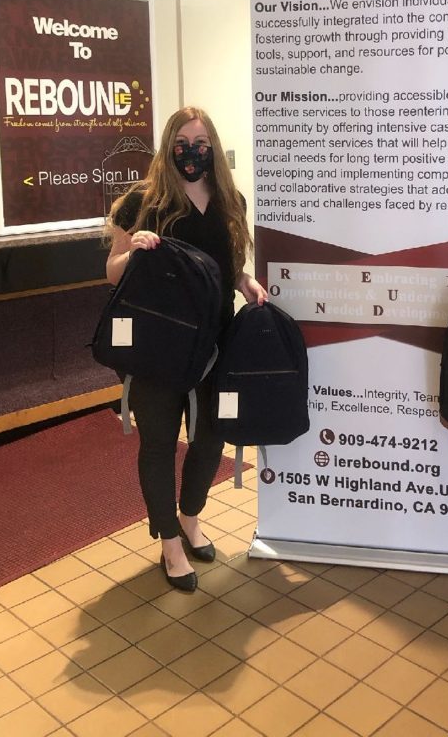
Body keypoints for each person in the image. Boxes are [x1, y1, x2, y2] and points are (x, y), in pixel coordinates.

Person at [106, 106, 267, 592]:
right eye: (182, 142)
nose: (191, 152)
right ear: (167, 147)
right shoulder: (142, 201)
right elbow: (112, 271)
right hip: (158, 348)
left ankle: (190, 516)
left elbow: (226, 266)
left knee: (210, 437)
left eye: (201, 143)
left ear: (213, 148)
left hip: (214, 345)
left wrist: (245, 281)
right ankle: (170, 541)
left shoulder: (228, 200)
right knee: (157, 444)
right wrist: (133, 249)